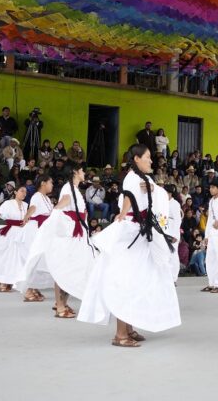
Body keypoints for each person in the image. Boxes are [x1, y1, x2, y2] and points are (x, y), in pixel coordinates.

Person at [79, 144, 181, 347]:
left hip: (140, 233)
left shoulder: (146, 179)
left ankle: (130, 328)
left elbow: (157, 196)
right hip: (131, 234)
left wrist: (153, 189)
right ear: (136, 159)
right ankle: (120, 334)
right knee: (127, 281)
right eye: (148, 157)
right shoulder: (131, 178)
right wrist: (122, 215)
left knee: (139, 280)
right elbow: (128, 198)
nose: (151, 161)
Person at [35, 163, 97, 318]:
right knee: (65, 266)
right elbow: (65, 200)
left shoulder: (75, 188)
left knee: (75, 266)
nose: (84, 172)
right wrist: (56, 209)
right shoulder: (68, 188)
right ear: (75, 171)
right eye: (82, 170)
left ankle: (62, 303)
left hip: (79, 232)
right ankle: (60, 305)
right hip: (71, 235)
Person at [16, 175, 55, 301]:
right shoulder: (36, 196)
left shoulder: (47, 199)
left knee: (41, 259)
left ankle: (33, 287)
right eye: (50, 182)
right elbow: (33, 208)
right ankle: (27, 290)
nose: (52, 185)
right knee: (33, 259)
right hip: (34, 231)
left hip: (43, 231)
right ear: (43, 183)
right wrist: (27, 215)